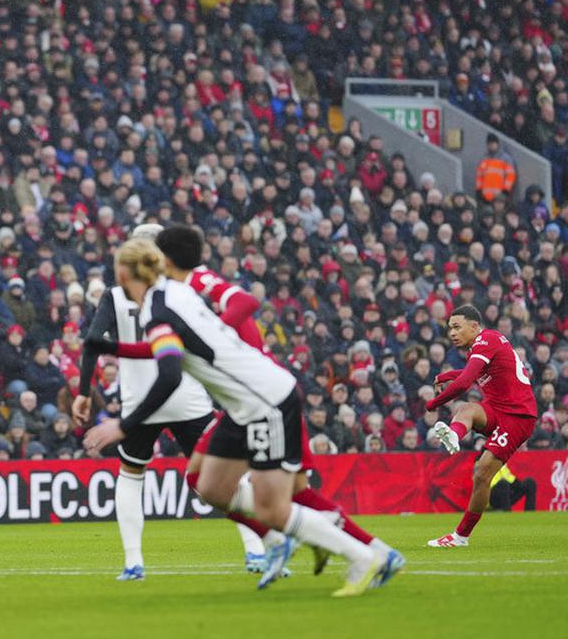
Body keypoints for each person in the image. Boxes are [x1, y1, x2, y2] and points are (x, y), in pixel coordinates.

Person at [82, 239, 394, 598]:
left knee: (272, 504)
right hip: (245, 402)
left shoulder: (158, 310)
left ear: (123, 273)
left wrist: (122, 425)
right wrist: (109, 348)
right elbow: (173, 349)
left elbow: (168, 374)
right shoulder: (174, 295)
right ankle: (285, 538)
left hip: (265, 402)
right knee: (209, 484)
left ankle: (361, 556)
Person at [72, 224, 216, 581]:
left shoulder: (117, 295)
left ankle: (133, 562)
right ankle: (258, 549)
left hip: (139, 402)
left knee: (131, 474)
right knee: (217, 476)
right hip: (187, 395)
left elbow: (92, 339)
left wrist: (83, 392)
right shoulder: (183, 291)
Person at [424, 304, 538, 547]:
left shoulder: (486, 340)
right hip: (497, 409)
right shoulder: (482, 346)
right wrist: (446, 376)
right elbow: (471, 374)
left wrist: (434, 403)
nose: (452, 333)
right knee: (467, 409)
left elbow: (466, 381)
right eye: (449, 329)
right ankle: (454, 435)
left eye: (457, 327)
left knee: (482, 471)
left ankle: (461, 536)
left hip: (518, 416)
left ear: (474, 326)